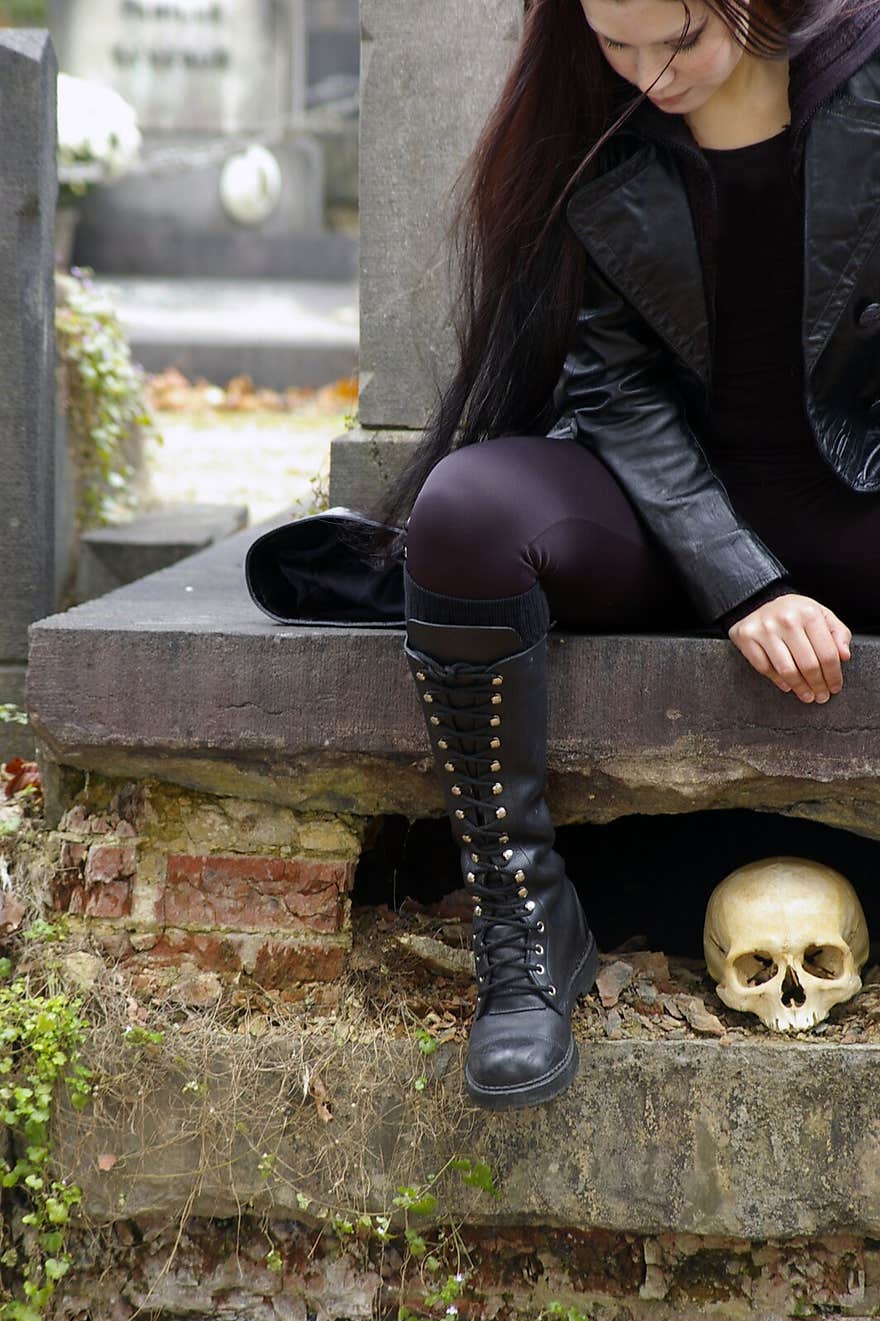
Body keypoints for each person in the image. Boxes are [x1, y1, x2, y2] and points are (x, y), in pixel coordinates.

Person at [366, 0, 880, 1111]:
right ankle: (523, 921)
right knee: (467, 508)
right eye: (615, 43)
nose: (647, 74)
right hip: (667, 517)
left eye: (678, 40)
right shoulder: (599, 132)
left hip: (862, 494)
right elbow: (613, 391)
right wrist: (740, 580)